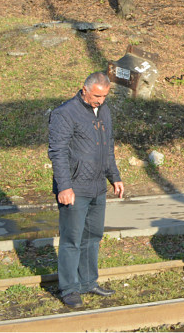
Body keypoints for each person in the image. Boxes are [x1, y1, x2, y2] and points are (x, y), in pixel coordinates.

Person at [47, 71, 125, 309]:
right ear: (84, 89)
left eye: (104, 96)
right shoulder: (64, 113)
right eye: (97, 95)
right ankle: (69, 288)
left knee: (92, 237)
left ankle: (88, 281)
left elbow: (107, 147)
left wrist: (115, 177)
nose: (100, 100)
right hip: (74, 188)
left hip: (97, 186)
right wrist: (64, 186)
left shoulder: (104, 111)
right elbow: (57, 152)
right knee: (72, 239)